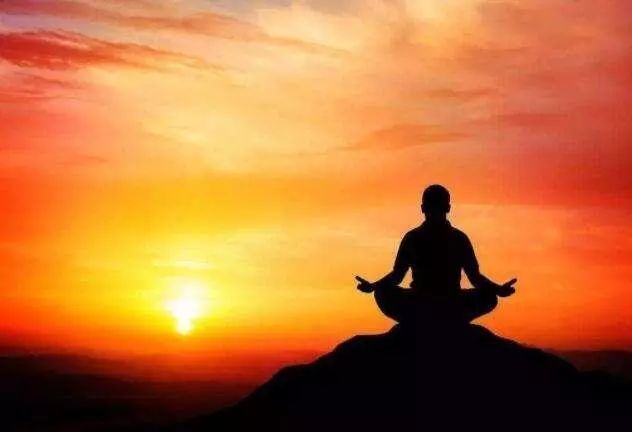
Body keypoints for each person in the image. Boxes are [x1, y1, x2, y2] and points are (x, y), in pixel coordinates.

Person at [356, 185, 516, 324]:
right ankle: (441, 320)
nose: (434, 211)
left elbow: (474, 277)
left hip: (449, 301)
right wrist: (374, 287)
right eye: (432, 206)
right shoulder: (415, 238)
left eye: (437, 206)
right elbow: (397, 275)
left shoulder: (457, 238)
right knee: (382, 292)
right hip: (421, 301)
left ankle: (431, 320)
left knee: (489, 296)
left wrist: (498, 289)